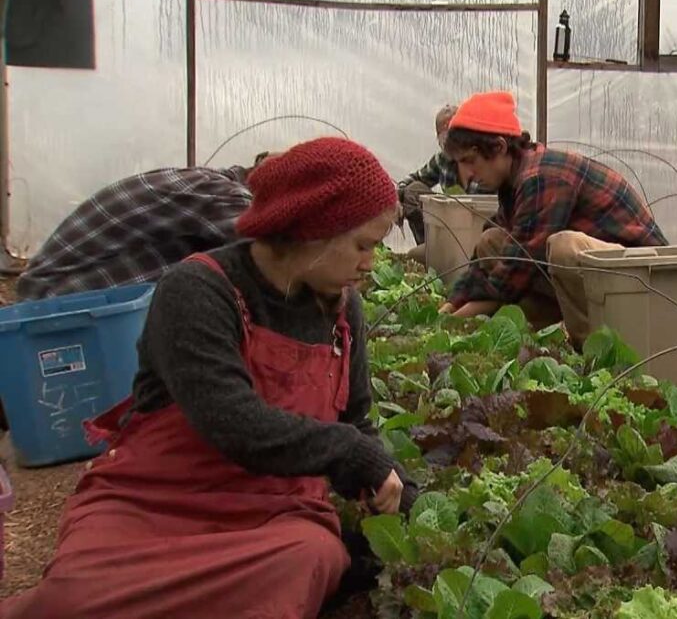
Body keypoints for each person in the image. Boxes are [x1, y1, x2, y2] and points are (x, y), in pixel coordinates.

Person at [2, 137, 417, 619]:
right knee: (71, 595)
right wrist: (347, 451)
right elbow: (231, 421)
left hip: (272, 513)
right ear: (311, 231)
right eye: (362, 246)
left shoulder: (345, 312)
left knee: (305, 558)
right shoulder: (198, 289)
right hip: (154, 500)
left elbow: (357, 419)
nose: (370, 263)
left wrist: (401, 489)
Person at [437, 91, 667, 348]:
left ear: (500, 147)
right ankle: (537, 338)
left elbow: (517, 269)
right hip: (603, 279)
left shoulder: (541, 177)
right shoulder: (513, 181)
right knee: (493, 241)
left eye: (470, 161)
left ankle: (593, 350)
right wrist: (448, 307)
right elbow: (486, 262)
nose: (467, 174)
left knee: (563, 247)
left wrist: (454, 325)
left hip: (645, 278)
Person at [16, 157, 267, 301]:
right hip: (59, 307)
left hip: (55, 298)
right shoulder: (219, 194)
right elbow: (276, 254)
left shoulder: (206, 182)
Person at [397, 104, 493, 264]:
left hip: (480, 230)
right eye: (444, 135)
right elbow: (414, 179)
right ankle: (431, 250)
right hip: (449, 228)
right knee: (414, 190)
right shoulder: (442, 160)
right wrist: (395, 196)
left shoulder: (485, 160)